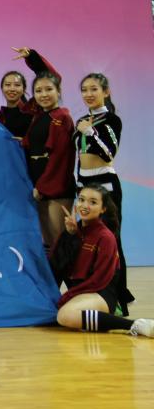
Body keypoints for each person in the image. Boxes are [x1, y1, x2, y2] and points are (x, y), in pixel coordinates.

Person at [49, 186, 152, 338]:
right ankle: (99, 320)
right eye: (81, 200)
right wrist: (70, 236)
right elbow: (57, 267)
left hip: (100, 293)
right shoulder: (73, 230)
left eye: (93, 202)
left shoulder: (106, 237)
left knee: (65, 316)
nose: (85, 205)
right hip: (81, 292)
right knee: (61, 314)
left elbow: (100, 280)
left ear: (103, 209)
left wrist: (68, 296)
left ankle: (136, 324)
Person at [73, 72, 133, 312]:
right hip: (84, 185)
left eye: (94, 89)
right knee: (87, 240)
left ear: (106, 92)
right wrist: (78, 184)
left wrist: (90, 132)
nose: (88, 94)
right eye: (84, 90)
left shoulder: (112, 120)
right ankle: (93, 293)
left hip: (106, 186)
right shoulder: (81, 121)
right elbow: (79, 157)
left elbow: (108, 154)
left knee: (111, 241)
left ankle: (119, 299)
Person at [22, 68, 75, 249]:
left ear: (58, 91)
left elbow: (61, 157)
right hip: (39, 187)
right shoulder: (38, 117)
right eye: (38, 91)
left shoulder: (62, 118)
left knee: (59, 242)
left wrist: (43, 187)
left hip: (56, 188)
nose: (43, 94)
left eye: (49, 89)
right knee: (48, 243)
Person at [0, 47, 61, 140]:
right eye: (7, 85)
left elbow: (52, 78)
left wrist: (31, 56)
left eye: (17, 85)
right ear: (2, 88)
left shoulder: (33, 109)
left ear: (24, 89)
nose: (12, 88)